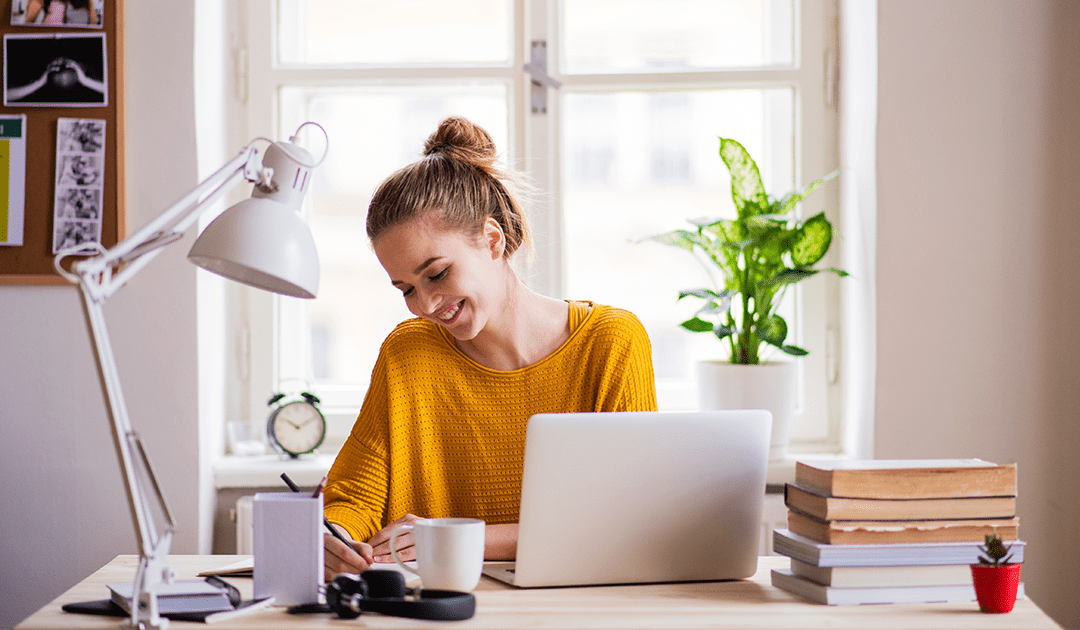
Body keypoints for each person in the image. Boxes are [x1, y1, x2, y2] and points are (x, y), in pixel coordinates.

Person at [322, 116, 657, 581]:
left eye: (436, 274)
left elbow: (626, 517)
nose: (426, 304)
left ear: (493, 239)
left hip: (578, 607)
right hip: (439, 607)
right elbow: (355, 497)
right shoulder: (408, 354)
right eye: (406, 289)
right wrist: (334, 539)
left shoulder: (611, 343)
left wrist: (454, 537)